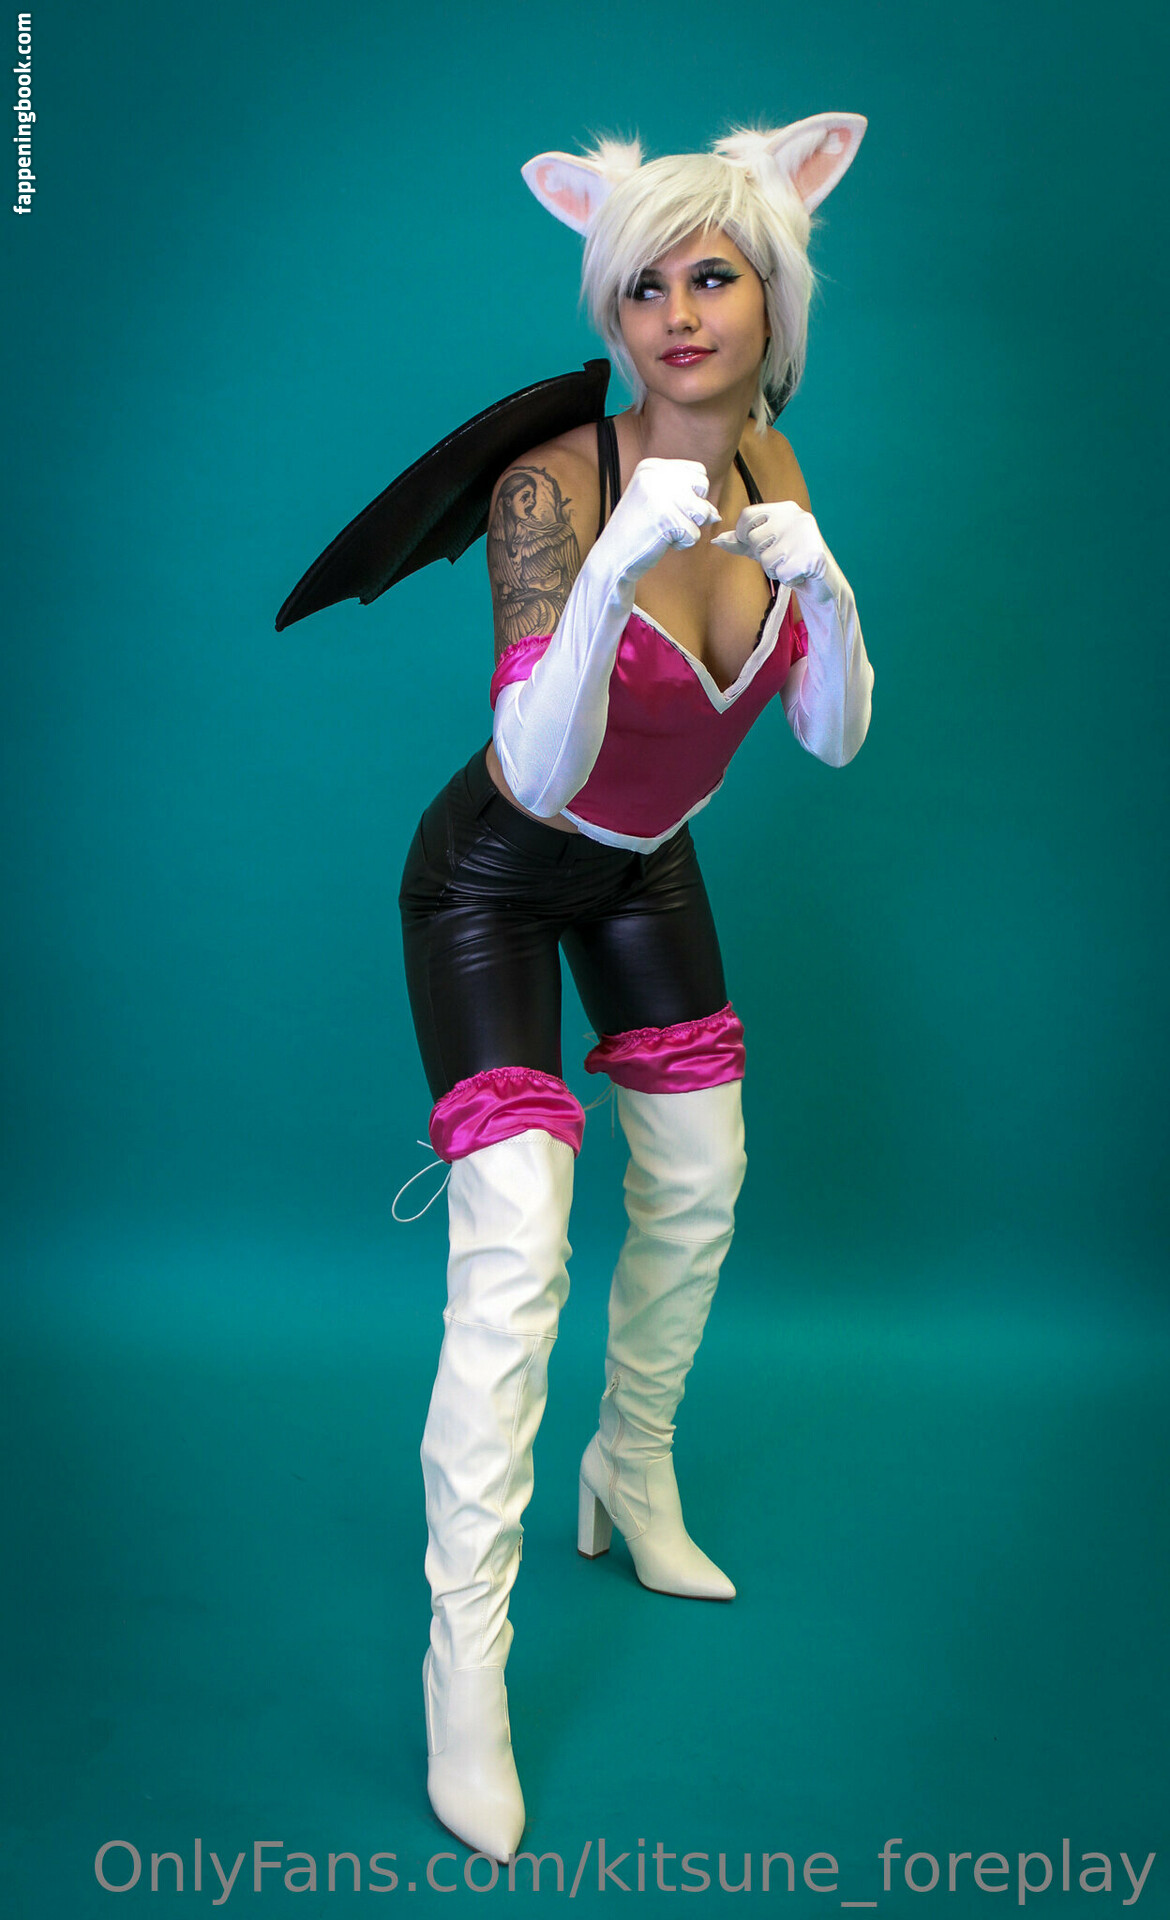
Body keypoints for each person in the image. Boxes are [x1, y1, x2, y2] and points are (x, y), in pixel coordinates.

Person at [397, 114, 874, 1861]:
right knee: (514, 1253)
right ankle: (465, 1664)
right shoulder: (554, 485)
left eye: (713, 277)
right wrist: (607, 571)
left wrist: (829, 595)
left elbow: (827, 739)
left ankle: (633, 1467)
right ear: (608, 304)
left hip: (644, 865)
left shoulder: (774, 470)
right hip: (493, 874)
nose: (677, 315)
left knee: (699, 1184)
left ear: (772, 297)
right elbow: (535, 768)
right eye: (643, 284)